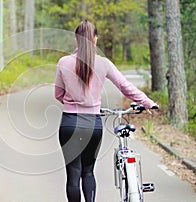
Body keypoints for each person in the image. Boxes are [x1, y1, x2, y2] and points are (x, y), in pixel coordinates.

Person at [54, 19, 156, 202]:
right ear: (95, 39)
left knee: (73, 174)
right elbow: (126, 87)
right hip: (93, 125)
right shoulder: (104, 64)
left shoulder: (63, 62)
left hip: (70, 123)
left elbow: (58, 94)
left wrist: (73, 101)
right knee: (88, 172)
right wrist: (147, 102)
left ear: (77, 40)